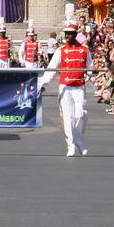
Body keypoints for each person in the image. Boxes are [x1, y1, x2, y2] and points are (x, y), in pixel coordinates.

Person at [43, 20, 90, 157]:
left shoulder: (85, 50)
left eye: (70, 34)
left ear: (75, 34)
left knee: (81, 115)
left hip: (79, 86)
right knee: (68, 117)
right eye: (66, 34)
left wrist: (94, 71)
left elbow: (90, 67)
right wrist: (44, 85)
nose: (67, 36)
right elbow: (51, 69)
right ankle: (71, 145)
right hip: (65, 86)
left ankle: (78, 139)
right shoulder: (60, 51)